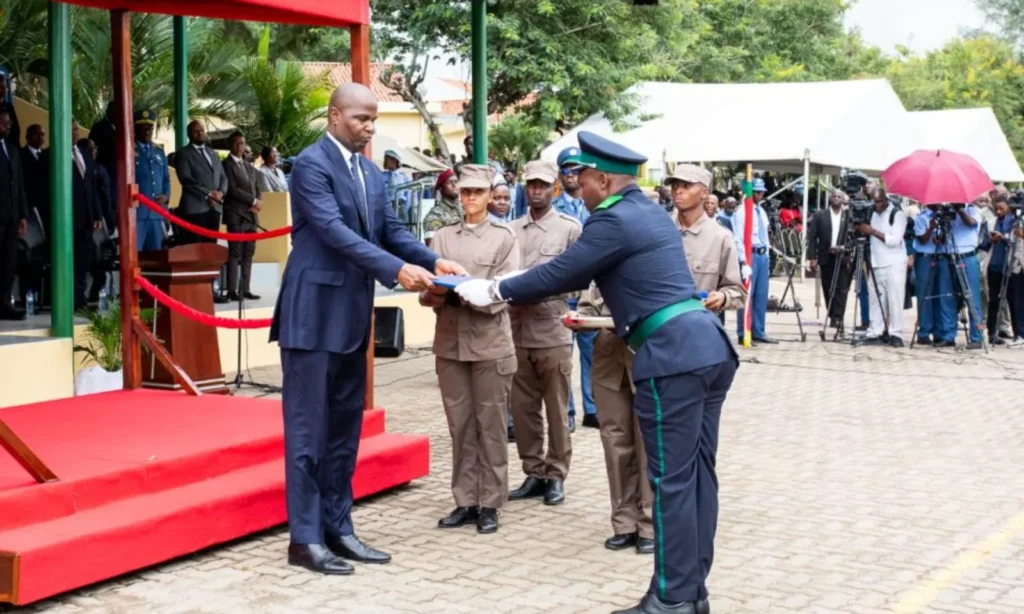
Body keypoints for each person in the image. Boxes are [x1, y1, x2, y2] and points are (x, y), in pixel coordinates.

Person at [455, 131, 737, 614]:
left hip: (671, 357)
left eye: (580, 177)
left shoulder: (612, 219)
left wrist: (495, 289)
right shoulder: (648, 210)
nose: (574, 186)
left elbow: (561, 273)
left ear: (602, 179)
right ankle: (693, 593)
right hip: (706, 348)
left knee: (670, 480)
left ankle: (671, 598)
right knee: (696, 479)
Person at [269, 82, 465, 576]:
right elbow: (335, 233)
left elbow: (391, 230)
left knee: (343, 434)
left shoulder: (371, 173)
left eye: (374, 120)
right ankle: (305, 539)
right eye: (362, 119)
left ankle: (339, 528)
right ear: (335, 116)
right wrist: (394, 271)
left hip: (352, 320)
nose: (370, 128)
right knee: (309, 435)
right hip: (312, 318)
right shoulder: (311, 166)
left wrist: (432, 258)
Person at [423, 164, 519, 534]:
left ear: (489, 193)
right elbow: (428, 289)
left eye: (477, 192)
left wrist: (467, 289)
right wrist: (433, 291)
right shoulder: (443, 237)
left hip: (489, 340)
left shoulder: (504, 237)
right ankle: (465, 498)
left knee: (491, 424)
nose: (470, 198)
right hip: (450, 340)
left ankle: (491, 501)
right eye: (465, 192)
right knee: (460, 425)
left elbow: (506, 289)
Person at [507, 160, 581, 507]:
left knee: (556, 407)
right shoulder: (511, 230)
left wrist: (543, 287)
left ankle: (556, 474)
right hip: (516, 328)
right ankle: (533, 471)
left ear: (554, 189)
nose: (535, 190)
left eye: (542, 185)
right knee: (523, 409)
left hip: (552, 327)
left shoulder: (569, 229)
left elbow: (581, 278)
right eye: (530, 185)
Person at [575, 282, 654, 555]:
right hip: (609, 358)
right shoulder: (602, 259)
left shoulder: (652, 255)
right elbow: (586, 308)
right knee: (615, 442)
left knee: (648, 443)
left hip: (647, 356)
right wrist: (580, 320)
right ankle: (624, 523)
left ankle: (650, 525)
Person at [667, 165, 746, 321]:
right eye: (674, 186)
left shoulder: (720, 237)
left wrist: (723, 297)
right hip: (658, 329)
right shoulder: (658, 231)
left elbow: (738, 292)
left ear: (704, 193)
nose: (678, 191)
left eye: (686, 186)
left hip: (699, 328)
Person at [555, 146, 598, 430]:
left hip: (591, 293)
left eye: (576, 169)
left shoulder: (595, 205)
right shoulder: (553, 208)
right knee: (562, 359)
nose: (572, 175)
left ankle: (592, 410)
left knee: (592, 354)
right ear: (560, 175)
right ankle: (567, 411)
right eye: (567, 169)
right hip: (564, 293)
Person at [856, 189, 908, 347]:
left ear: (885, 200)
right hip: (876, 262)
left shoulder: (897, 215)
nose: (877, 205)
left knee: (894, 300)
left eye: (879, 201)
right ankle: (875, 331)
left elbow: (895, 240)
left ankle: (896, 334)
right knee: (875, 300)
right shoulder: (871, 213)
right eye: (874, 201)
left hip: (894, 263)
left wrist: (872, 231)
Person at [731, 178, 777, 344]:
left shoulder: (761, 210)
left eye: (761, 192)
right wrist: (743, 261)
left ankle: (758, 330)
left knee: (761, 294)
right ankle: (744, 331)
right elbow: (738, 238)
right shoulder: (742, 211)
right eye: (757, 192)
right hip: (749, 255)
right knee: (747, 295)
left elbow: (764, 234)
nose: (760, 194)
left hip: (762, 255)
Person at [174, 121, 228, 247]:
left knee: (211, 247)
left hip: (215, 207)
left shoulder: (212, 153)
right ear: (189, 134)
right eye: (196, 131)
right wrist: (208, 195)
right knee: (194, 248)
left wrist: (220, 193)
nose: (200, 133)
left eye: (202, 130)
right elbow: (185, 179)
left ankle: (209, 268)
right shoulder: (183, 153)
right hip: (195, 208)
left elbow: (223, 177)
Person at [222, 131, 262, 301]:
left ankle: (245, 288)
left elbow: (257, 187)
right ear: (230, 144)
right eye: (237, 142)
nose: (240, 145)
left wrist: (258, 201)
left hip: (251, 217)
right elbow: (232, 189)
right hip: (236, 215)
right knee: (235, 253)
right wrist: (253, 200)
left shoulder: (248, 166)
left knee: (248, 254)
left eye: (243, 142)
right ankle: (232, 290)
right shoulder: (226, 164)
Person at [806, 190, 850, 327]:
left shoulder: (848, 216)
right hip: (826, 255)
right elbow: (812, 238)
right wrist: (812, 257)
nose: (836, 199)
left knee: (842, 287)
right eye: (834, 196)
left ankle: (839, 316)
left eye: (839, 197)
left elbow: (852, 236)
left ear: (843, 199)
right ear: (830, 198)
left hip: (842, 256)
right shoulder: (820, 215)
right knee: (828, 287)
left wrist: (844, 248)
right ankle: (832, 315)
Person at [0, 109, 28, 319]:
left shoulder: (12, 150)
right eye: (4, 123)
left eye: (9, 123)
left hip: (10, 216)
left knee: (9, 263)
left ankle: (3, 303)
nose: (8, 127)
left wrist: (22, 215)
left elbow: (19, 186)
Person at [133, 109, 170, 252]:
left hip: (155, 213)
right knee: (136, 257)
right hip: (138, 213)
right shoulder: (130, 150)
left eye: (151, 127)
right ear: (136, 129)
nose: (148, 131)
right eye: (144, 127)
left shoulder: (159, 151)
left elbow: (166, 178)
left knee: (155, 257)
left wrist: (166, 195)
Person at [980, 194, 1015, 345]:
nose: (999, 212)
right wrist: (990, 240)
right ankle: (992, 333)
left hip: (1012, 267)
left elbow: (1016, 241)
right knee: (993, 300)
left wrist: (1005, 238)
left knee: (1013, 301)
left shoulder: (1015, 222)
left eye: (1002, 208)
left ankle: (1016, 332)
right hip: (994, 267)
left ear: (1008, 207)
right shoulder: (990, 222)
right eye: (997, 209)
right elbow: (982, 245)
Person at [422, 168, 461, 247]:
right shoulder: (434, 217)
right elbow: (433, 247)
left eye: (456, 182)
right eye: (449, 182)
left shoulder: (465, 210)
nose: (454, 185)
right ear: (440, 189)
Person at [381, 149, 411, 219]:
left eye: (386, 159)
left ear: (394, 160)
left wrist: (405, 211)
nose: (384, 162)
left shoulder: (405, 177)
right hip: (387, 207)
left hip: (401, 207)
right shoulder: (381, 176)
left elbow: (409, 197)